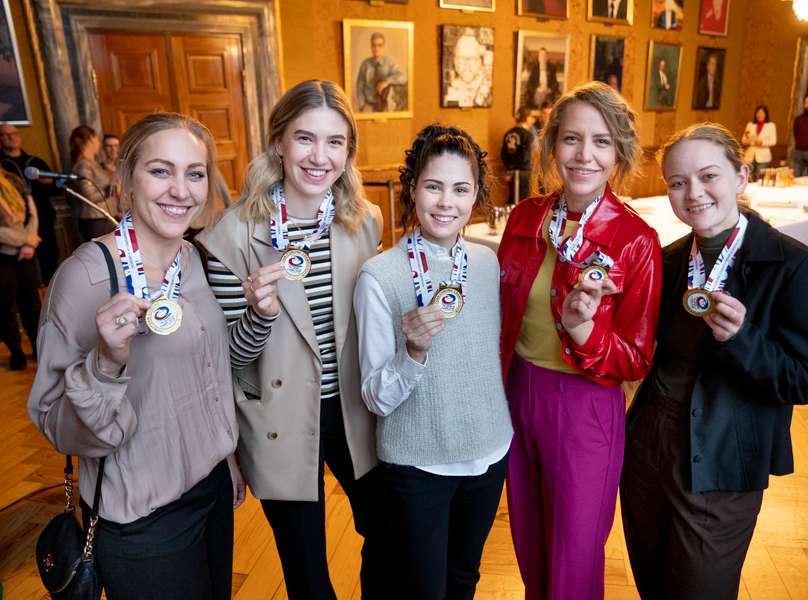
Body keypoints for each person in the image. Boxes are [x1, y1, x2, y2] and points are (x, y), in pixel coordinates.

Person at [28, 112, 241, 599]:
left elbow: (207, 375)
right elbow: (55, 423)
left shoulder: (194, 259)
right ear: (125, 177)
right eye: (160, 170)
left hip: (208, 491)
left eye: (195, 173)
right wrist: (105, 363)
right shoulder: (85, 278)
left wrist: (223, 453)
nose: (181, 190)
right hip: (142, 517)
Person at [620, 123, 808, 600]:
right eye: (677, 182)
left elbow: (807, 380)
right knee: (652, 584)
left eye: (708, 176)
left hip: (723, 463)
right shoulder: (668, 261)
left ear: (741, 176)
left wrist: (743, 339)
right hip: (647, 452)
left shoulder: (798, 268)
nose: (693, 193)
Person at [196, 79, 384, 600]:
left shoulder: (365, 223)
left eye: (334, 142)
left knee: (389, 534)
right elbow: (231, 360)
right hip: (279, 418)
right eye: (305, 138)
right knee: (306, 572)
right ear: (278, 140)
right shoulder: (231, 236)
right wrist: (258, 314)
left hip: (353, 411)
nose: (319, 157)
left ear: (349, 153)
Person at [497, 81, 662, 599]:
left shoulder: (636, 239)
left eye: (601, 142)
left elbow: (635, 358)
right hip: (518, 394)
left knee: (574, 556)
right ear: (551, 147)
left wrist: (583, 330)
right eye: (571, 139)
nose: (584, 155)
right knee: (529, 544)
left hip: (587, 405)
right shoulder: (526, 218)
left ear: (620, 153)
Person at [354, 123, 513, 599]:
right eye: (434, 186)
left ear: (476, 196)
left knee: (465, 578)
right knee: (421, 589)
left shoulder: (487, 264)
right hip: (417, 466)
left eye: (461, 189)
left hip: (488, 455)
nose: (446, 202)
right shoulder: (379, 276)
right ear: (413, 189)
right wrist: (414, 352)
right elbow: (376, 398)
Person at [0, 123, 59, 283]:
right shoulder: (2, 166)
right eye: (5, 135)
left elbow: (56, 189)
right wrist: (24, 239)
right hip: (15, 230)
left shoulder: (35, 162)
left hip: (43, 220)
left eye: (14, 133)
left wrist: (50, 183)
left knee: (49, 263)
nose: (11, 137)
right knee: (26, 279)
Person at [0, 170, 41, 370]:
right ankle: (16, 352)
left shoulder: (12, 179)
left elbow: (32, 213)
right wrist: (24, 240)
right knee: (6, 307)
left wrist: (29, 244)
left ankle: (39, 347)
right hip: (2, 255)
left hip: (26, 253)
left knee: (32, 303)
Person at [70, 125, 120, 240]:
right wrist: (111, 188)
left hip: (104, 218)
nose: (99, 143)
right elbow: (90, 196)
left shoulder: (92, 163)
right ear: (90, 139)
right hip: (95, 220)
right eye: (97, 139)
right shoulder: (83, 164)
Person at [356, 32, 408, 113]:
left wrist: (387, 81)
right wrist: (362, 105)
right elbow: (359, 87)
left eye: (379, 45)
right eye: (374, 45)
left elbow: (403, 77)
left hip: (384, 106)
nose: (376, 48)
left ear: (383, 46)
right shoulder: (365, 64)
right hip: (368, 106)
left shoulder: (389, 62)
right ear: (371, 46)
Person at [443, 30, 492, 108]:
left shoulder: (487, 89)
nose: (467, 65)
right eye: (462, 58)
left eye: (472, 59)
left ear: (480, 62)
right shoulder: (449, 91)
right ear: (455, 61)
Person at [501, 106, 535, 204]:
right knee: (523, 201)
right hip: (523, 172)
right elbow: (526, 155)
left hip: (510, 172)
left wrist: (509, 169)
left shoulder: (508, 133)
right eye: (531, 117)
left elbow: (503, 154)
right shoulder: (527, 135)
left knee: (513, 197)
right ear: (527, 118)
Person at [742, 105, 777, 180]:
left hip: (763, 156)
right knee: (747, 177)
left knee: (759, 178)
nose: (759, 115)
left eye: (762, 113)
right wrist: (747, 141)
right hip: (750, 155)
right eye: (758, 113)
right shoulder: (750, 125)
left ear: (766, 115)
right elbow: (743, 139)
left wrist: (762, 143)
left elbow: (773, 141)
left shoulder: (770, 125)